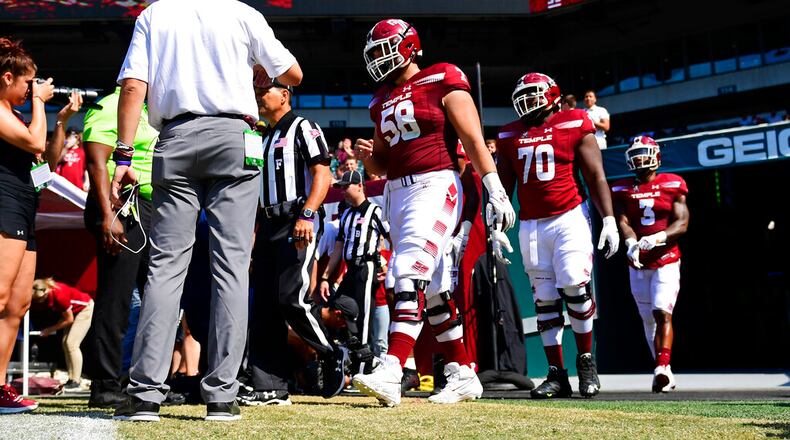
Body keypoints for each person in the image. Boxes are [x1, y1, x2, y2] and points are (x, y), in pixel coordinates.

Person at [110, 0, 302, 422]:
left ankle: (145, 395)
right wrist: (261, 72)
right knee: (231, 267)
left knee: (164, 267)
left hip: (175, 138)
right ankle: (221, 396)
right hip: (235, 137)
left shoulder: (155, 14)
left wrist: (123, 155)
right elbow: (294, 74)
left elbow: (132, 87)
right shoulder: (243, 13)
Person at [352, 19, 516, 406]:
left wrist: (494, 188)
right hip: (397, 192)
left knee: (407, 271)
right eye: (373, 53)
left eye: (383, 49)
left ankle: (392, 368)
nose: (378, 59)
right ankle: (462, 373)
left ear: (408, 47)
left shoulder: (443, 76)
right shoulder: (380, 100)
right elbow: (383, 165)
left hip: (435, 183)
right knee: (438, 290)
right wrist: (368, 158)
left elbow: (472, 137)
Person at [496, 72, 619, 399]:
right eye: (523, 95)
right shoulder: (510, 134)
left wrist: (609, 219)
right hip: (532, 224)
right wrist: (495, 228)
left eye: (534, 94)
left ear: (552, 95)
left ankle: (586, 361)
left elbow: (595, 175)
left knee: (576, 289)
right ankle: (556, 374)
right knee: (544, 300)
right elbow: (503, 189)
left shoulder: (574, 122)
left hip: (569, 216)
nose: (527, 101)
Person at [245, 66, 347, 407]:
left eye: (265, 91)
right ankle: (269, 385)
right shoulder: (265, 136)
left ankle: (332, 352)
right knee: (263, 308)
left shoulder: (304, 127)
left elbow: (323, 173)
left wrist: (307, 213)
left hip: (296, 221)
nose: (260, 97)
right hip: (269, 225)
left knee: (292, 299)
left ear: (284, 94)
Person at [0, 37, 81, 414]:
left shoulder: (17, 114)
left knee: (16, 305)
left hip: (24, 206)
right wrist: (39, 102)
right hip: (4, 206)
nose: (31, 89)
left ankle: (0, 387)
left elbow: (43, 155)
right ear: (6, 78)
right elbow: (34, 137)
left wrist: (60, 120)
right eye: (27, 82)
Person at [82, 86, 158, 408]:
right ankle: (105, 384)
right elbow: (97, 161)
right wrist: (108, 216)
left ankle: (141, 380)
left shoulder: (151, 110)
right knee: (117, 297)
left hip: (152, 205)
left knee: (155, 296)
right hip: (120, 204)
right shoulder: (110, 105)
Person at [610, 136, 689, 393]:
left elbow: (682, 223)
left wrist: (658, 237)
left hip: (666, 260)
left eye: (644, 153)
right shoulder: (622, 189)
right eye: (636, 154)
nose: (640, 158)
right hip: (638, 264)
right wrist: (631, 243)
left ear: (656, 155)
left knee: (661, 312)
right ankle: (661, 366)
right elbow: (622, 220)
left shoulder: (673, 183)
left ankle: (662, 368)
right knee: (648, 321)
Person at [319, 170, 389, 374]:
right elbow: (339, 248)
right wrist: (325, 277)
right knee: (338, 305)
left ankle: (363, 369)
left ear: (360, 185)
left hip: (366, 268)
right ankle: (358, 357)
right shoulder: (347, 214)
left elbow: (391, 237)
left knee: (364, 317)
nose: (343, 192)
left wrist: (387, 266)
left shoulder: (375, 211)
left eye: (346, 186)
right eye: (340, 187)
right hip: (351, 269)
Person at [31, 278, 94, 391]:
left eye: (39, 298)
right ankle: (71, 379)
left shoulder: (59, 296)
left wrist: (49, 330)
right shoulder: (51, 292)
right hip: (75, 311)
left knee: (72, 344)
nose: (39, 301)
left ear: (46, 291)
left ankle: (76, 381)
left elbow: (69, 319)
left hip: (85, 309)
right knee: (65, 343)